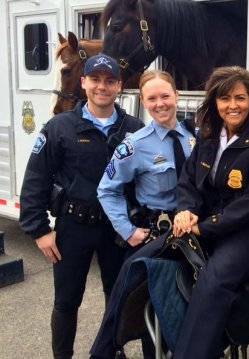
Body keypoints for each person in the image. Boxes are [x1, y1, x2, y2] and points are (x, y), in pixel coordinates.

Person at [18, 53, 143, 359]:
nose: (103, 86)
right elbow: (36, 178)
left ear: (119, 86)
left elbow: (143, 180)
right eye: (96, 79)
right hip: (73, 228)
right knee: (67, 300)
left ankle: (112, 351)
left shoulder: (135, 127)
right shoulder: (60, 127)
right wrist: (39, 229)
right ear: (83, 82)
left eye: (110, 80)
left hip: (117, 229)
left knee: (118, 297)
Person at [170, 65, 249, 359]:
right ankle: (105, 348)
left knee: (214, 280)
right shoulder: (208, 136)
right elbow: (188, 179)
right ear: (214, 103)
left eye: (240, 98)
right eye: (224, 98)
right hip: (205, 220)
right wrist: (186, 211)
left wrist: (204, 228)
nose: (232, 105)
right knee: (145, 257)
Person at [97, 70, 195, 254]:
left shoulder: (195, 136)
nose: (160, 104)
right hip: (158, 235)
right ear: (143, 101)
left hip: (194, 230)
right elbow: (107, 190)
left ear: (176, 94)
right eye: (152, 99)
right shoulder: (134, 145)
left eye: (165, 96)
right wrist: (127, 231)